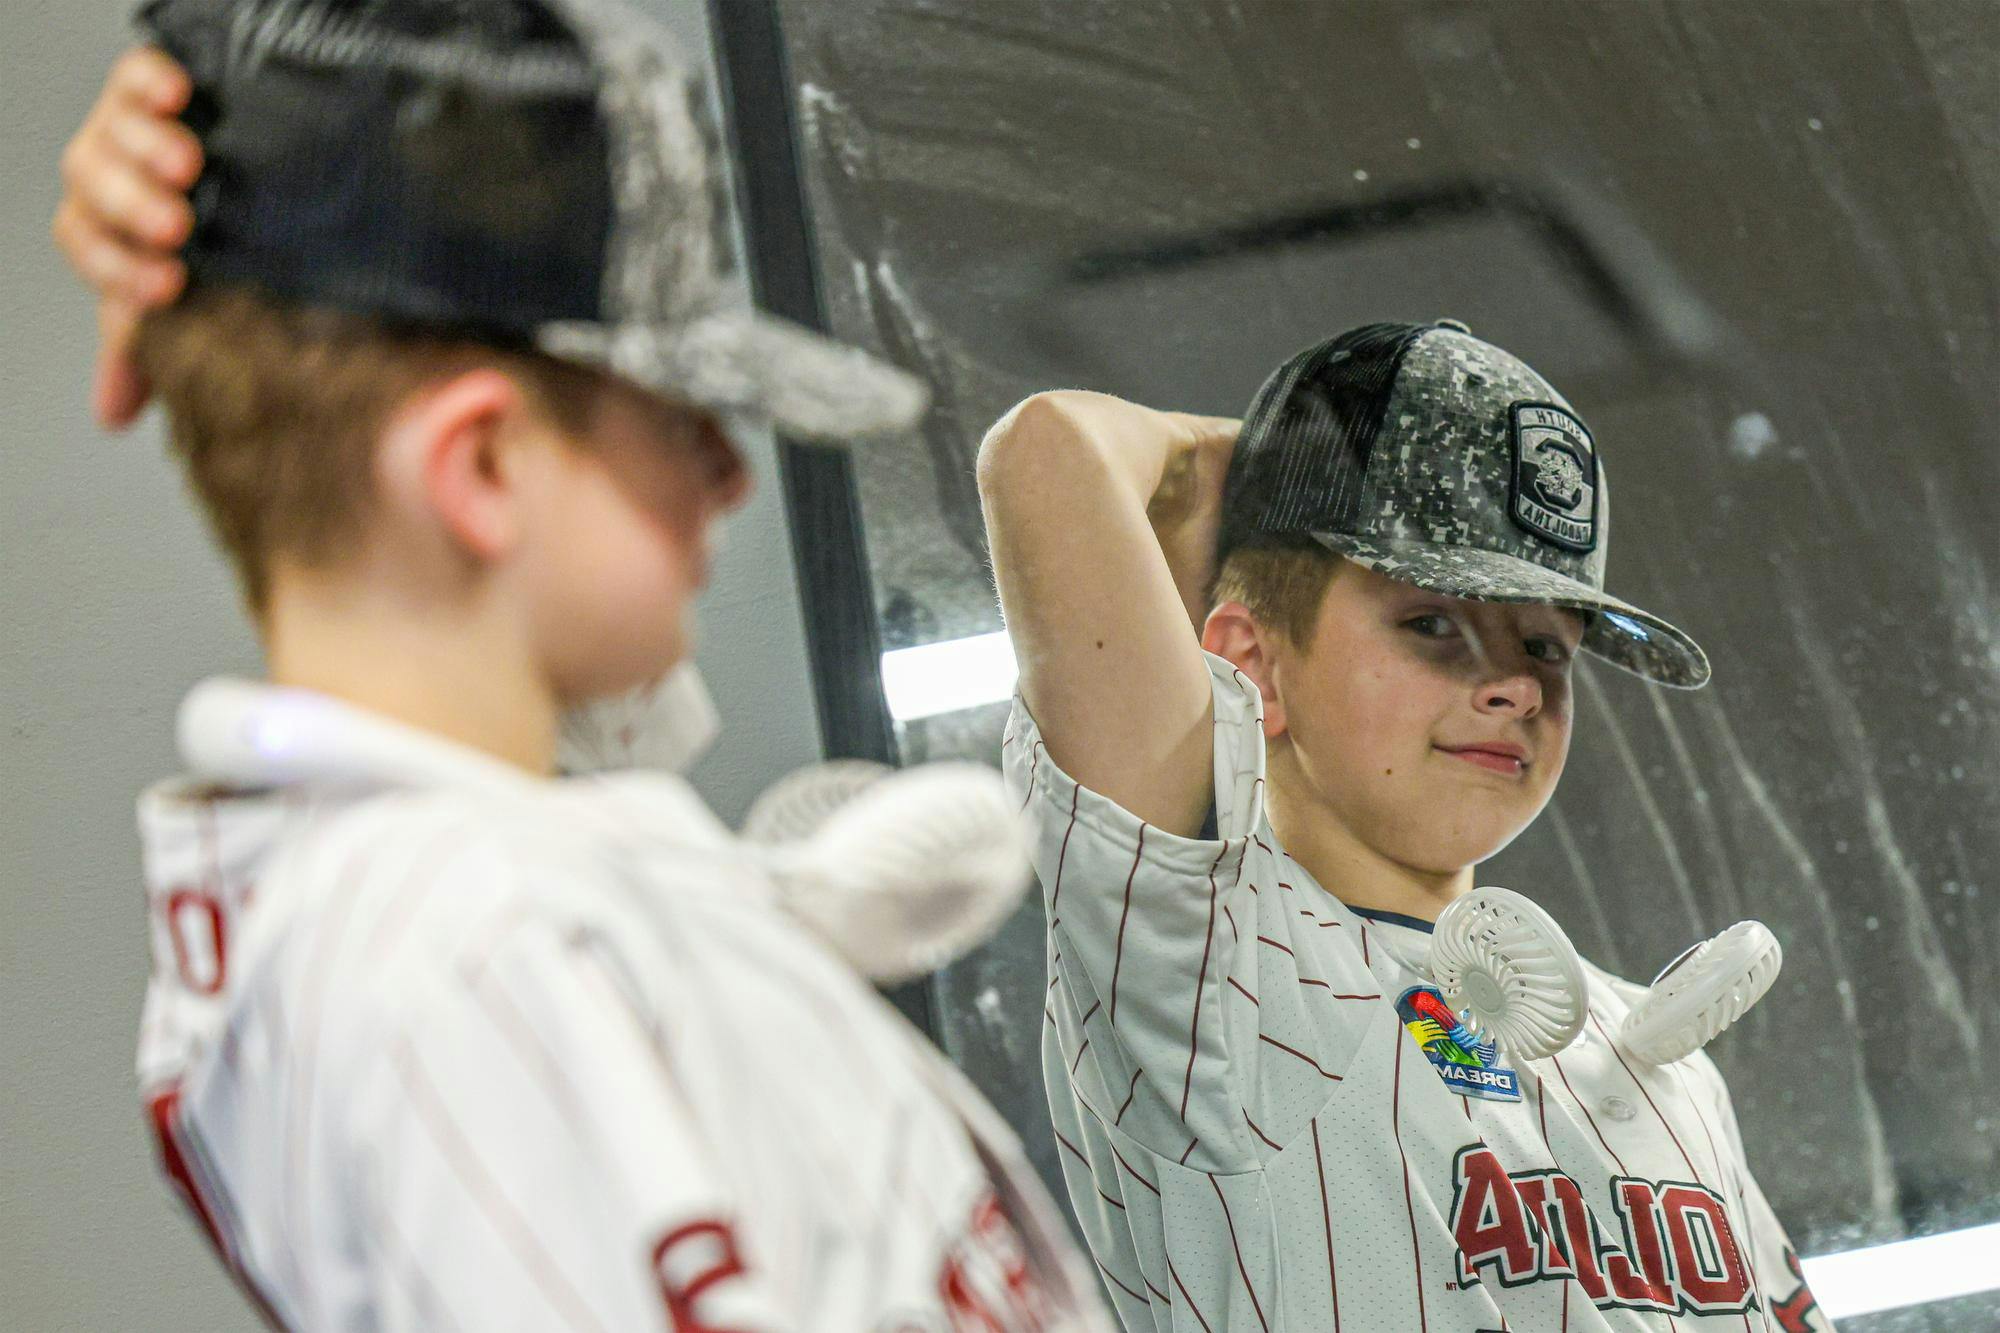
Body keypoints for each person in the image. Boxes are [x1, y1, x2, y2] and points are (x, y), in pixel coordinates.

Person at [52, 2, 1108, 1328]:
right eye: (682, 420)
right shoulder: (476, 957)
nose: (728, 478)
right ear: (481, 469)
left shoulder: (447, 899)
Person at [976, 339, 1834, 1329]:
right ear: (1250, 665)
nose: (1515, 684)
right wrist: (1265, 469)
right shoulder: (1211, 973)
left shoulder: (1657, 1052)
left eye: (1545, 644)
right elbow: (1047, 452)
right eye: (1433, 622)